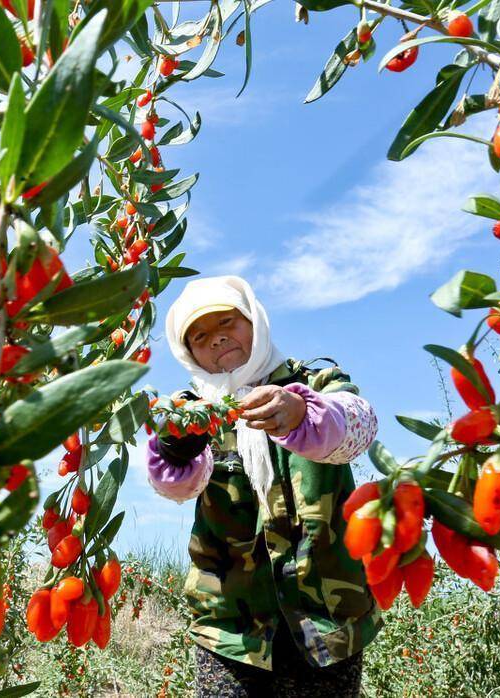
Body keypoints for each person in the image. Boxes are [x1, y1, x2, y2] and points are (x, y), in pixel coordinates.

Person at [146, 276, 381, 697]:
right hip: (231, 632)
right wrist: (176, 449)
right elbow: (173, 486)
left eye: (227, 323)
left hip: (329, 620)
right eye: (200, 336)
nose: (217, 339)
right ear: (188, 352)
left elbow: (358, 425)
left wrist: (302, 414)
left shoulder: (315, 385)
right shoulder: (189, 412)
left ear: (254, 322)